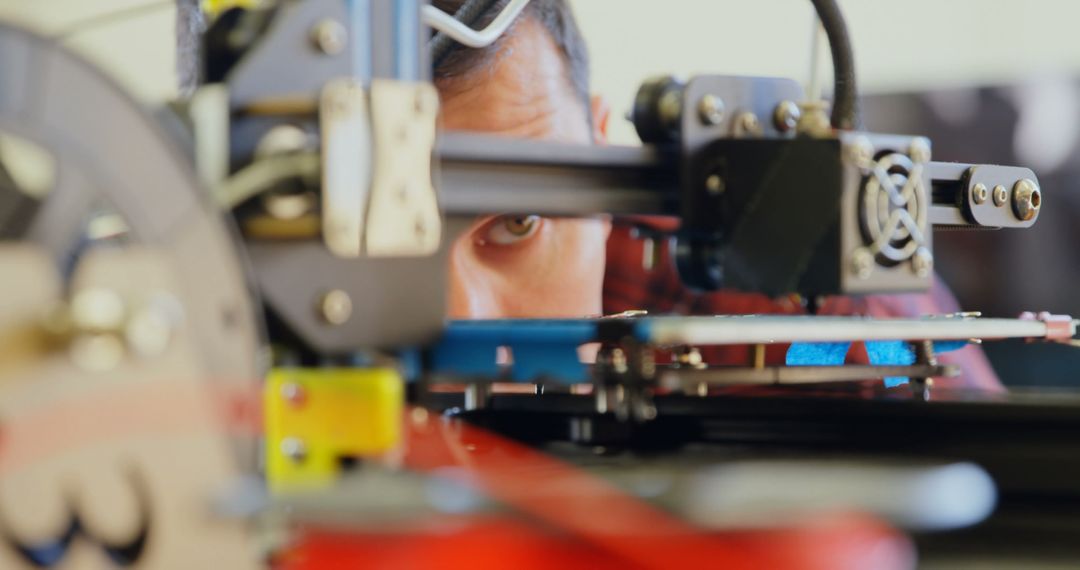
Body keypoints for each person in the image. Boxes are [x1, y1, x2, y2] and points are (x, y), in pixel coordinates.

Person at [177, 0, 999, 391]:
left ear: (604, 150)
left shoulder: (804, 306)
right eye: (362, 238)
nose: (463, 318)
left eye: (521, 219)